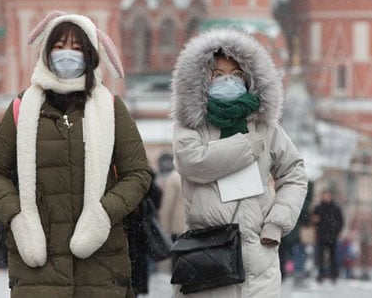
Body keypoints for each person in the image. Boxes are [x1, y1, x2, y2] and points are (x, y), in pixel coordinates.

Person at [0, 12, 152, 297]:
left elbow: (137, 173)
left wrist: (104, 214)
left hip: (100, 264)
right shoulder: (23, 108)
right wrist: (18, 217)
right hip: (38, 267)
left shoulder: (110, 108)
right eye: (59, 46)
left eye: (77, 47)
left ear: (91, 55)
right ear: (46, 53)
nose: (67, 54)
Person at [171, 28, 308, 298]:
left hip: (260, 261)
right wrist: (248, 145)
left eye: (236, 75)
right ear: (202, 81)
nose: (227, 81)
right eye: (218, 75)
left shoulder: (266, 128)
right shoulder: (191, 127)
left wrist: (277, 223)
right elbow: (194, 162)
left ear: (249, 80)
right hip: (209, 260)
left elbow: (295, 172)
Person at [124, 172, 163, 295]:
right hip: (137, 229)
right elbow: (157, 196)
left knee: (134, 264)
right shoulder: (142, 173)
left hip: (132, 229)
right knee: (137, 264)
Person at [311, 190, 344, 283]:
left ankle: (334, 275)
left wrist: (336, 232)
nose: (326, 198)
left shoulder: (336, 208)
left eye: (327, 196)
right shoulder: (318, 208)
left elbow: (341, 222)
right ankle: (321, 274)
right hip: (321, 236)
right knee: (320, 256)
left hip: (332, 236)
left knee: (333, 257)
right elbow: (313, 220)